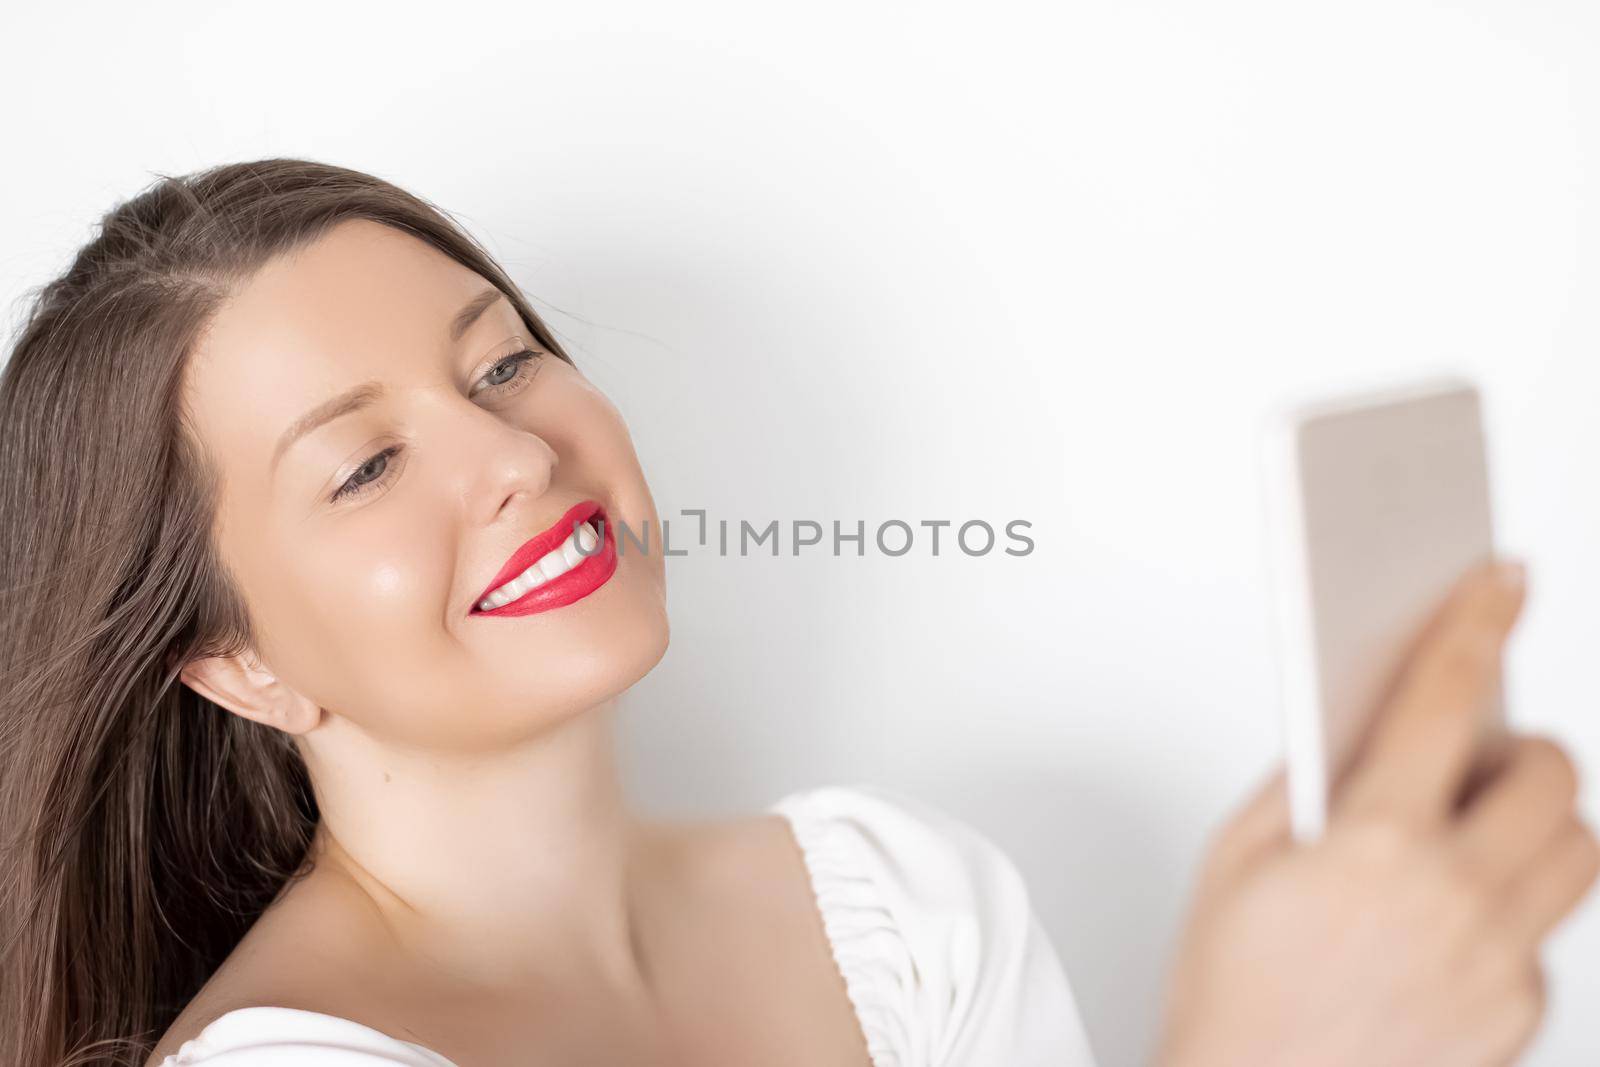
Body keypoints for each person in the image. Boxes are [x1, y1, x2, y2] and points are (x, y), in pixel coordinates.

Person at [0, 159, 1590, 1067]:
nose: (513, 453)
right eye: (363, 468)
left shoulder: (903, 908)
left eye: (503, 361)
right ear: (236, 661)